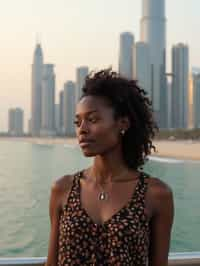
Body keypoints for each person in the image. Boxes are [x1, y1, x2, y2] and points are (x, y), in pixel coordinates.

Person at [45, 69, 174, 266]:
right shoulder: (62, 189)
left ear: (123, 123)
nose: (82, 129)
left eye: (93, 119)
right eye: (78, 122)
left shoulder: (156, 194)